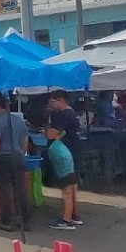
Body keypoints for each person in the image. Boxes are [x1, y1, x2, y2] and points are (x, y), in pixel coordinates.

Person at [0, 93, 30, 231]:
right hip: (18, 157)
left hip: (3, 158)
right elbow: (25, 141)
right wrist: (20, 154)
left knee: (5, 190)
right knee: (20, 189)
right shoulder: (18, 120)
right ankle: (25, 220)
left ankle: (6, 221)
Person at [48, 90, 83, 226]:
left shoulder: (62, 116)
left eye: (52, 101)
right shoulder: (72, 113)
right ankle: (73, 214)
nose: (51, 105)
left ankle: (66, 219)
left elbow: (51, 135)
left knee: (66, 188)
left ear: (60, 100)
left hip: (64, 154)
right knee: (73, 186)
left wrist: (47, 126)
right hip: (73, 151)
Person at [45, 124, 79, 230]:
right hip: (70, 170)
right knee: (72, 195)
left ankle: (66, 220)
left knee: (67, 196)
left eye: (50, 130)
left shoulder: (53, 147)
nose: (46, 132)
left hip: (64, 172)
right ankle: (73, 216)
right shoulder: (59, 143)